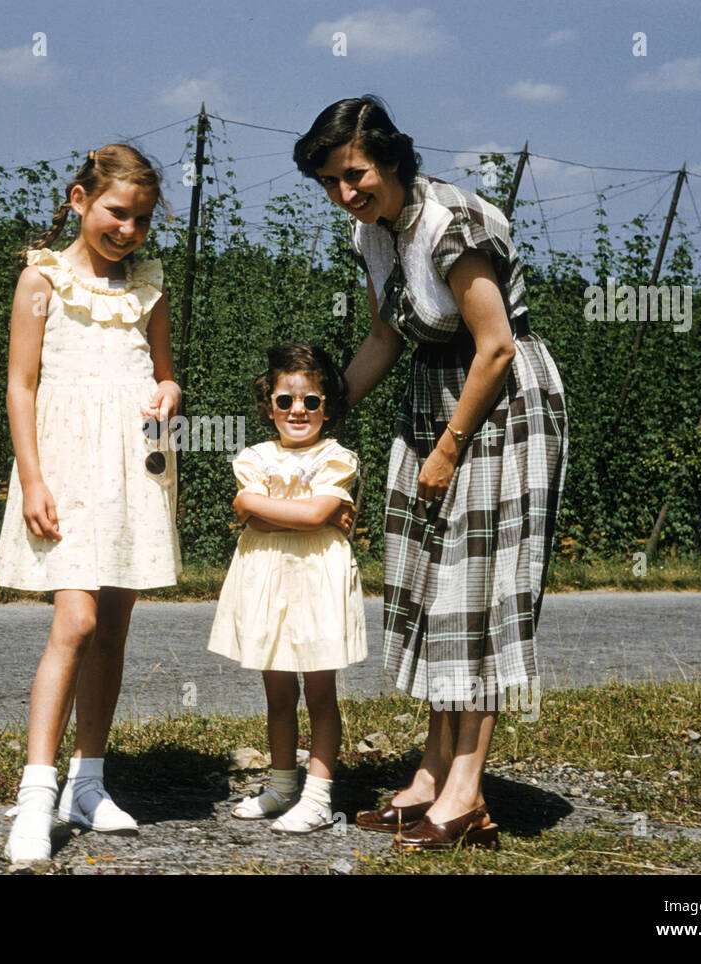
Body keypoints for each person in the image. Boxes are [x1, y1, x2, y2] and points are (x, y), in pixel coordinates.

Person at [294, 96, 568, 850]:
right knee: (434, 590)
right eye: (329, 181)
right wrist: (323, 416)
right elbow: (385, 336)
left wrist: (448, 448)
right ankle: (430, 775)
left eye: (354, 174)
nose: (344, 192)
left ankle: (467, 795)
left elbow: (496, 347)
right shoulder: (373, 231)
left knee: (478, 595)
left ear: (389, 159)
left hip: (498, 405)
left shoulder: (453, 222)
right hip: (434, 397)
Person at [0, 144, 181, 862]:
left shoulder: (148, 286)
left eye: (141, 219)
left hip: (133, 465)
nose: (128, 230)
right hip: (65, 466)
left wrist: (168, 393)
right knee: (75, 621)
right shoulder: (42, 279)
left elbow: (164, 375)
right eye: (116, 213)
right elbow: (21, 385)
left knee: (112, 628)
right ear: (79, 200)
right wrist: (33, 479)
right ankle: (35, 795)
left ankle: (89, 782)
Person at [208, 344, 367, 833]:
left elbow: (308, 513)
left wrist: (261, 509)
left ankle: (317, 797)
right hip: (267, 578)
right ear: (269, 406)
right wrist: (308, 515)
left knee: (319, 692)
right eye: (286, 400)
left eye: (311, 401)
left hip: (317, 577)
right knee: (278, 691)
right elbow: (284, 515)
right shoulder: (254, 457)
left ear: (326, 408)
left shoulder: (337, 457)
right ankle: (281, 786)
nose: (298, 410)